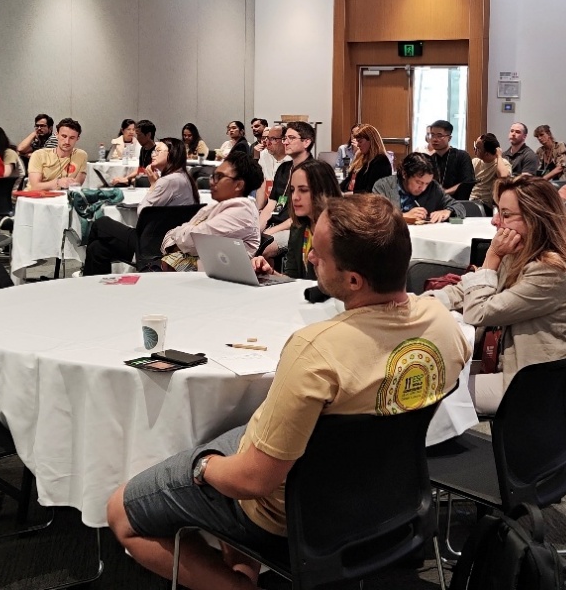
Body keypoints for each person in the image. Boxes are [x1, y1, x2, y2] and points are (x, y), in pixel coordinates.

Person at [107, 194, 470, 588]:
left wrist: (202, 467)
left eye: (320, 254)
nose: (309, 256)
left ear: (353, 280)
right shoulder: (443, 325)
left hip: (289, 511)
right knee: (230, 434)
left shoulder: (316, 350)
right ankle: (241, 562)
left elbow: (253, 482)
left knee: (122, 513)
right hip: (384, 495)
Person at [428, 175, 566, 414]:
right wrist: (425, 302)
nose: (495, 221)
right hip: (502, 361)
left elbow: (478, 312)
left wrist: (491, 258)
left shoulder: (550, 271)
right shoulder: (521, 253)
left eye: (505, 215)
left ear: (535, 219)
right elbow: (468, 289)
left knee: (428, 391)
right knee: (425, 371)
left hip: (529, 384)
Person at [82, 137, 202, 276]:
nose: (153, 154)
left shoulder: (168, 181)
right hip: (167, 241)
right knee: (97, 248)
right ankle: (92, 277)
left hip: (153, 243)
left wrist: (153, 186)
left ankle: (86, 275)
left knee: (101, 223)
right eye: (154, 151)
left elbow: (143, 211)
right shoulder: (185, 178)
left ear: (172, 154)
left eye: (158, 151)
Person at [159, 150, 262, 271]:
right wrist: (180, 240)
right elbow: (182, 236)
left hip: (222, 276)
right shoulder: (215, 206)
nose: (212, 181)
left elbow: (193, 241)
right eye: (213, 176)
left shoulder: (243, 212)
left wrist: (177, 239)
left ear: (238, 185)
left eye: (219, 177)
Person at [251, 159, 343, 280]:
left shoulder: (340, 231)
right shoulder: (298, 228)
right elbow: (293, 279)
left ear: (323, 191)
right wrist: (270, 273)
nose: (294, 197)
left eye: (303, 190)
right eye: (292, 190)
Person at [259, 121, 315, 243]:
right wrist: (256, 230)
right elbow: (272, 204)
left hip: (298, 227)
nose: (285, 142)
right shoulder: (284, 168)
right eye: (285, 138)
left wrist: (269, 232)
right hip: (275, 223)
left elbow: (302, 216)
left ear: (306, 142)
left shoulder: (314, 171)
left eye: (291, 138)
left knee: (263, 246)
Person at [372, 152, 466, 223]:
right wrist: (403, 216)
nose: (423, 188)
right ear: (405, 174)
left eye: (427, 183)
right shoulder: (383, 186)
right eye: (418, 182)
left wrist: (447, 211)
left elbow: (459, 207)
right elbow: (375, 216)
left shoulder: (433, 187)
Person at [27, 118, 89, 191]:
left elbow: (76, 185)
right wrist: (58, 182)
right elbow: (35, 187)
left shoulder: (81, 155)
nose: (67, 141)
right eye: (64, 136)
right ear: (57, 135)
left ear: (77, 138)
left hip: (63, 196)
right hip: (36, 196)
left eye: (72, 138)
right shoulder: (39, 155)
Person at [425, 119, 474, 195]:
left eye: (439, 136)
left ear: (449, 138)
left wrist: (444, 193)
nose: (434, 139)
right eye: (432, 135)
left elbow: (467, 182)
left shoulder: (461, 156)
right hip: (435, 200)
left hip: (458, 200)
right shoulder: (429, 160)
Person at [344, 123, 392, 194]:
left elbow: (372, 191)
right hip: (353, 196)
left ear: (371, 141)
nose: (358, 145)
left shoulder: (381, 162)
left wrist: (349, 195)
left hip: (366, 199)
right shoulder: (360, 157)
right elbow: (348, 180)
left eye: (360, 141)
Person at [109, 120, 158, 187]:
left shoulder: (157, 151)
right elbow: (141, 169)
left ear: (148, 135)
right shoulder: (143, 149)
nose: (137, 138)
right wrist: (126, 178)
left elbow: (153, 175)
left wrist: (128, 180)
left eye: (139, 135)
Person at [471, 133, 511, 210]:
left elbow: (504, 177)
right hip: (471, 201)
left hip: (486, 205)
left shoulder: (502, 163)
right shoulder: (475, 162)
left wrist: (499, 155)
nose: (474, 150)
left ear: (487, 154)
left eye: (477, 148)